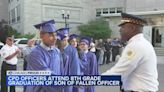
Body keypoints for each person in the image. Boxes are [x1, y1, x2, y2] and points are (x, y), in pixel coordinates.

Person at [102, 12, 159, 92]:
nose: (120, 30)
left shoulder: (136, 45)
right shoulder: (141, 43)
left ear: (132, 28)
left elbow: (118, 73)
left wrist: (87, 81)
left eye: (123, 27)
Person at [25, 20, 62, 92]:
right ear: (41, 35)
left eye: (55, 34)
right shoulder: (35, 53)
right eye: (51, 35)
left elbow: (60, 71)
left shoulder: (56, 51)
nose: (55, 38)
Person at [57, 28, 81, 92]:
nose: (64, 39)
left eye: (65, 37)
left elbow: (75, 66)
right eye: (62, 38)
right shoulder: (57, 49)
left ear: (67, 38)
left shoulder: (72, 50)